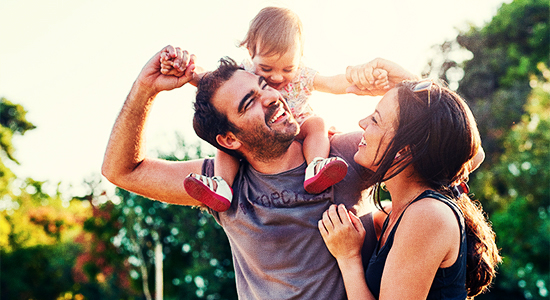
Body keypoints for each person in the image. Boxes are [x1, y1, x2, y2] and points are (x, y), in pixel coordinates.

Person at [102, 45, 417, 299]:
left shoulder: (345, 154)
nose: (271, 97)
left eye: (264, 86)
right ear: (229, 140)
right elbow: (122, 171)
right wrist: (146, 87)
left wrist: (408, 81)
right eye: (249, 102)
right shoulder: (221, 185)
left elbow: (459, 156)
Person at [159, 6, 389, 212]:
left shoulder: (302, 75)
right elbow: (208, 79)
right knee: (229, 144)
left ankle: (316, 165)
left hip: (297, 126)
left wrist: (360, 82)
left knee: (317, 124)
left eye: (288, 68)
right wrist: (183, 68)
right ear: (250, 52)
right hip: (262, 134)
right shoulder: (244, 74)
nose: (277, 77)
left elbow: (331, 82)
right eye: (266, 68)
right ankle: (222, 185)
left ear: (300, 57)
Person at [318, 77, 501, 299]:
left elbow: (469, 149)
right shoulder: (397, 215)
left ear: (403, 150)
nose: (362, 122)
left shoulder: (428, 215)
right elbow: (463, 147)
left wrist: (348, 258)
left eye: (375, 120)